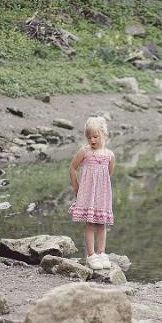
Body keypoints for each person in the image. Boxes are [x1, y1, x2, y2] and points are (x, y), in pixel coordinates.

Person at [68, 116, 115, 270]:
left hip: (102, 194)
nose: (92, 140)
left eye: (96, 136)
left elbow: (108, 174)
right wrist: (76, 187)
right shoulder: (85, 152)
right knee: (90, 224)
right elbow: (72, 168)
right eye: (89, 137)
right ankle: (91, 255)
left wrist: (101, 189)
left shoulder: (109, 155)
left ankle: (102, 253)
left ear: (104, 134)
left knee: (101, 224)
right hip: (87, 193)